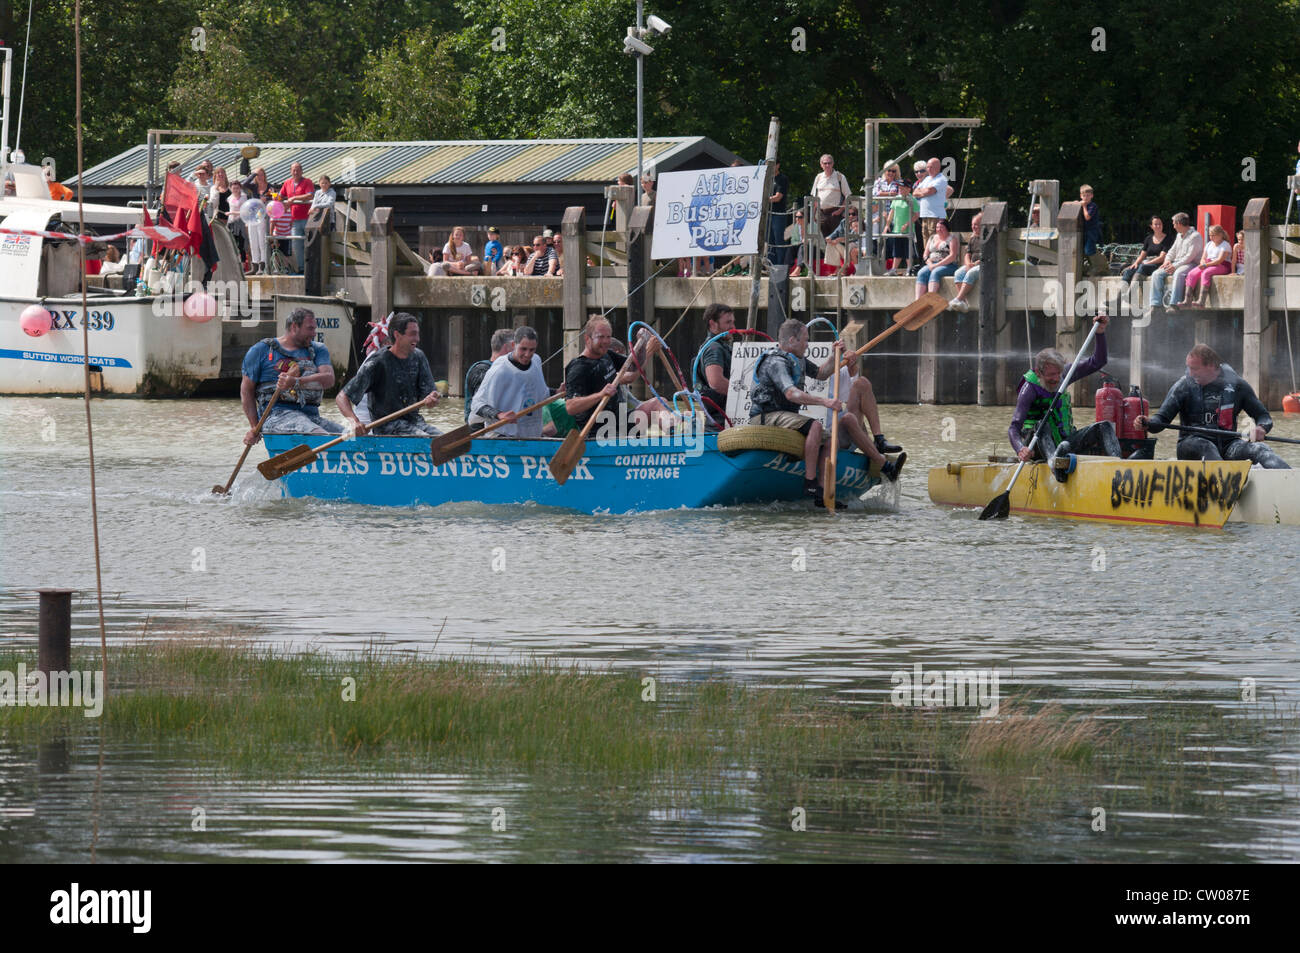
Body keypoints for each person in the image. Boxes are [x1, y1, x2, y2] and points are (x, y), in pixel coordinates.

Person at [1139, 344, 1290, 468]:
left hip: (1227, 444)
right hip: (1192, 444)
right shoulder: (1183, 385)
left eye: (1195, 369)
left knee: (1261, 450)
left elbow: (1263, 416)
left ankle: (1291, 484)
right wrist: (1147, 423)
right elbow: (1161, 419)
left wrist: (1261, 428)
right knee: (1207, 447)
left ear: (1211, 366)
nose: (1190, 373)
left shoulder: (1238, 386)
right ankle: (1224, 490)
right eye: (1188, 368)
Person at [1009, 313, 1120, 462]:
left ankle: (1118, 464)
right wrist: (1020, 449)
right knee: (1042, 425)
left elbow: (1098, 361)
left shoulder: (1065, 375)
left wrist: (1099, 332)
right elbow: (1014, 427)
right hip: (1038, 447)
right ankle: (1055, 465)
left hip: (1065, 443)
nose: (1056, 379)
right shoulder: (1029, 389)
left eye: (1058, 373)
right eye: (1051, 375)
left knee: (1104, 427)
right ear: (1038, 373)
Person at [240, 308, 343, 443]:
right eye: (310, 329)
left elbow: (329, 379)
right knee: (320, 435)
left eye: (314, 329)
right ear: (294, 327)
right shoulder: (260, 350)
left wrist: (296, 381)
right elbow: (246, 391)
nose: (314, 334)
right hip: (276, 417)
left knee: (350, 437)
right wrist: (254, 428)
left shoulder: (318, 349)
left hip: (311, 416)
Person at [336, 313, 442, 436]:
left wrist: (432, 399)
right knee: (423, 438)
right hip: (387, 427)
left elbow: (431, 395)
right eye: (412, 334)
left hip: (415, 422)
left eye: (417, 334)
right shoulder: (377, 362)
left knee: (443, 438)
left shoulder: (419, 357)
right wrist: (354, 422)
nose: (417, 339)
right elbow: (342, 397)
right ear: (397, 335)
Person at [563, 316, 662, 434]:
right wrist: (600, 395)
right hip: (598, 431)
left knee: (658, 403)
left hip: (620, 423)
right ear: (587, 338)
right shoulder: (578, 368)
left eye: (608, 337)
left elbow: (635, 366)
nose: (605, 341)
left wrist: (642, 344)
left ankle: (678, 436)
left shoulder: (607, 355)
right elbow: (570, 407)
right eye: (600, 337)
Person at [468, 327, 551, 437]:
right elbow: (476, 404)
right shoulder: (500, 369)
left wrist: (558, 391)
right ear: (513, 345)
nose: (527, 355)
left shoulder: (536, 360)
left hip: (531, 435)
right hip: (502, 435)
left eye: (532, 350)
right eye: (523, 349)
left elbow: (540, 393)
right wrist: (500, 415)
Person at [1148, 212, 1203, 311]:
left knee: (1179, 273)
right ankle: (1155, 305)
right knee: (1156, 274)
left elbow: (1189, 257)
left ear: (1179, 224)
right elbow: (1172, 251)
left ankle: (1174, 304)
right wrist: (1167, 261)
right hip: (1177, 263)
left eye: (1174, 224)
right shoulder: (1179, 235)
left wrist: (1175, 266)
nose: (1173, 226)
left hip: (1192, 264)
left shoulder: (1195, 236)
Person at [693, 303, 737, 423]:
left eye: (733, 322)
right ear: (712, 324)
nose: (733, 327)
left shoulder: (720, 347)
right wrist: (746, 393)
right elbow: (716, 383)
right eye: (728, 322)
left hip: (723, 414)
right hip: (720, 419)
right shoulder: (714, 348)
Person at [464, 327, 516, 421]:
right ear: (506, 348)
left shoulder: (510, 371)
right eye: (516, 348)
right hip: (479, 429)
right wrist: (499, 415)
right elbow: (479, 404)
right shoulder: (482, 370)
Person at [1181, 224, 1232, 308]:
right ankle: (1187, 300)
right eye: (1210, 235)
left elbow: (1219, 260)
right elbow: (1203, 257)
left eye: (1213, 235)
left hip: (1222, 265)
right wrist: (1202, 262)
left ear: (1220, 235)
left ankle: (1201, 301)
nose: (1211, 237)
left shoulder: (1225, 245)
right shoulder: (1209, 244)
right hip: (1208, 264)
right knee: (1191, 274)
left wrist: (1206, 265)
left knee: (1206, 273)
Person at [278, 162, 314, 273]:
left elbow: (310, 195)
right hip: (294, 220)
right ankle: (301, 269)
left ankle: (311, 268)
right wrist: (276, 198)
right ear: (290, 171)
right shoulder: (287, 183)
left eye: (298, 170)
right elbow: (280, 196)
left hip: (308, 219)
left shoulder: (307, 182)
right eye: (293, 170)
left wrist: (293, 199)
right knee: (296, 245)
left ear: (302, 171)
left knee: (310, 244)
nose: (295, 172)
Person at [914, 218, 959, 300]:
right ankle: (918, 300)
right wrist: (930, 264)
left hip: (948, 265)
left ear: (946, 228)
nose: (939, 229)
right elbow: (925, 254)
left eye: (941, 227)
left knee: (935, 272)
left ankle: (931, 298)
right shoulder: (932, 238)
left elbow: (952, 256)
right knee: (921, 272)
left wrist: (937, 265)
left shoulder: (952, 239)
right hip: (932, 264)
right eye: (937, 227)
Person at [1121, 215, 1172, 285]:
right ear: (1151, 226)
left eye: (1160, 224)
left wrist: (1148, 263)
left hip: (1158, 265)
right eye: (1156, 224)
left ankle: (1131, 293)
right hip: (1146, 263)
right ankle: (1121, 295)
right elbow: (1142, 255)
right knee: (1129, 271)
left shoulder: (1168, 239)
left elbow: (1162, 258)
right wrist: (1136, 263)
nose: (1158, 226)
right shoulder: (1148, 239)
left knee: (1143, 267)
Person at [912, 157, 949, 249]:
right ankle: (927, 261)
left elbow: (930, 191)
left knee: (935, 241)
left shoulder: (941, 179)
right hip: (925, 215)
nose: (928, 169)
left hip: (935, 215)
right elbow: (915, 192)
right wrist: (924, 192)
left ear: (938, 167)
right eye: (927, 167)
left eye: (931, 167)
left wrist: (923, 192)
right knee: (926, 240)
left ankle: (936, 261)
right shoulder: (927, 179)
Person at [948, 212, 982, 311]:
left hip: (983, 265)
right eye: (972, 225)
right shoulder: (973, 238)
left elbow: (987, 256)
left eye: (976, 225)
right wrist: (967, 263)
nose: (973, 227)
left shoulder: (987, 238)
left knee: (971, 273)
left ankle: (958, 299)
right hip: (972, 264)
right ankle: (963, 301)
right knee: (958, 273)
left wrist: (974, 264)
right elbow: (968, 253)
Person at [812, 154, 852, 236]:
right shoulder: (818, 177)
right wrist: (813, 215)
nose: (827, 165)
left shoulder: (840, 177)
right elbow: (814, 198)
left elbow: (848, 196)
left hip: (835, 213)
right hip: (821, 214)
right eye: (825, 163)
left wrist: (839, 211)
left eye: (829, 163)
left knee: (837, 240)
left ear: (833, 164)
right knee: (825, 240)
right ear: (821, 165)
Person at [883, 180, 916, 275]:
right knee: (897, 250)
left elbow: (916, 214)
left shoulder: (912, 199)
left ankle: (909, 269)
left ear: (908, 189)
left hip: (908, 231)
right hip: (897, 230)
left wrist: (907, 224)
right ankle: (894, 269)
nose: (900, 189)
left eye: (902, 187)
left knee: (908, 250)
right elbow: (891, 213)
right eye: (899, 187)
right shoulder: (896, 199)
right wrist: (887, 225)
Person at [767, 160, 790, 265]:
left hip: (778, 215)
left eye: (772, 165)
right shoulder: (767, 179)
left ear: (778, 165)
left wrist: (764, 200)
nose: (770, 167)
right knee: (769, 241)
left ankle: (781, 265)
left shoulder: (782, 179)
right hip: (767, 214)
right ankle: (770, 264)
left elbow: (778, 197)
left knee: (779, 240)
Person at [1079, 185, 1102, 256]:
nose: (1085, 198)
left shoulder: (1092, 206)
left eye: (1088, 195)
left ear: (1092, 196)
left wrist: (1084, 206)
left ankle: (1099, 264)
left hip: (1092, 232)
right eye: (1084, 196)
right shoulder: (1082, 204)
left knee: (1089, 251)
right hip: (1084, 230)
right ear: (1081, 196)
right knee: (1082, 250)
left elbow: (1087, 217)